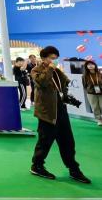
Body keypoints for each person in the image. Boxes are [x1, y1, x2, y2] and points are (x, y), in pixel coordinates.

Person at [30, 46, 90, 183]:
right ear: (44, 58)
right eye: (51, 58)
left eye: (55, 58)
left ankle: (74, 169)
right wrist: (50, 69)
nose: (54, 61)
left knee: (68, 142)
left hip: (61, 110)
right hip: (47, 113)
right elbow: (43, 82)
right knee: (45, 141)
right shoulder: (36, 70)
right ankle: (37, 166)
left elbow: (62, 88)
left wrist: (67, 97)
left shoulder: (57, 72)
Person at [82, 60, 102, 126]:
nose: (90, 66)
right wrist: (90, 90)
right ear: (86, 67)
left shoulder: (100, 74)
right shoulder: (84, 76)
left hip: (101, 93)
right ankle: (99, 120)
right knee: (95, 107)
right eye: (88, 65)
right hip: (91, 93)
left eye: (92, 64)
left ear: (95, 65)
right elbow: (84, 85)